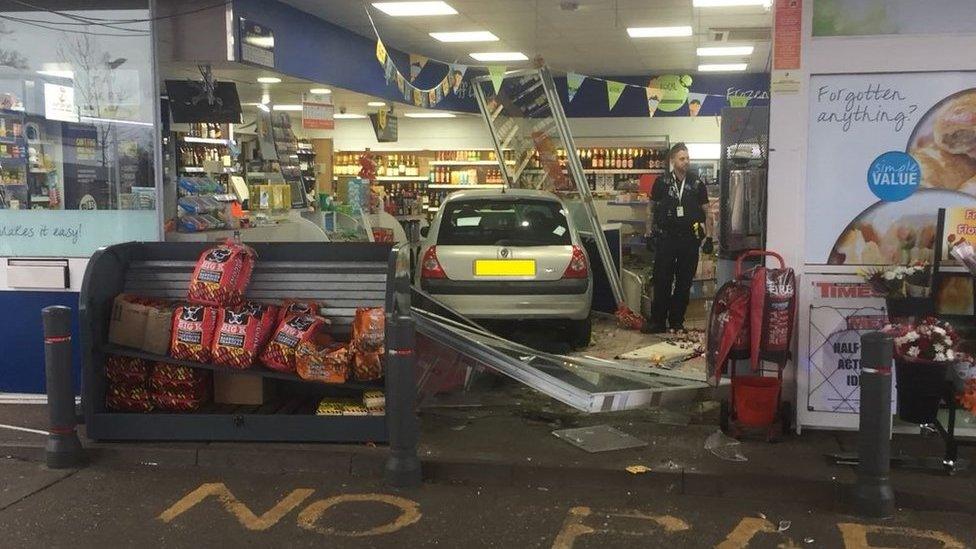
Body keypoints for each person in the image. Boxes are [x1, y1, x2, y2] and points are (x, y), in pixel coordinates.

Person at [644, 143, 713, 333]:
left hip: (689, 240)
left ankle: (676, 321)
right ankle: (658, 321)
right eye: (682, 158)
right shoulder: (662, 182)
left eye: (688, 158)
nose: (686, 162)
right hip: (666, 239)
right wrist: (648, 233)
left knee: (684, 282)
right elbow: (650, 208)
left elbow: (708, 213)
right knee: (662, 280)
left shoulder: (697, 183)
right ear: (672, 160)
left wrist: (708, 238)